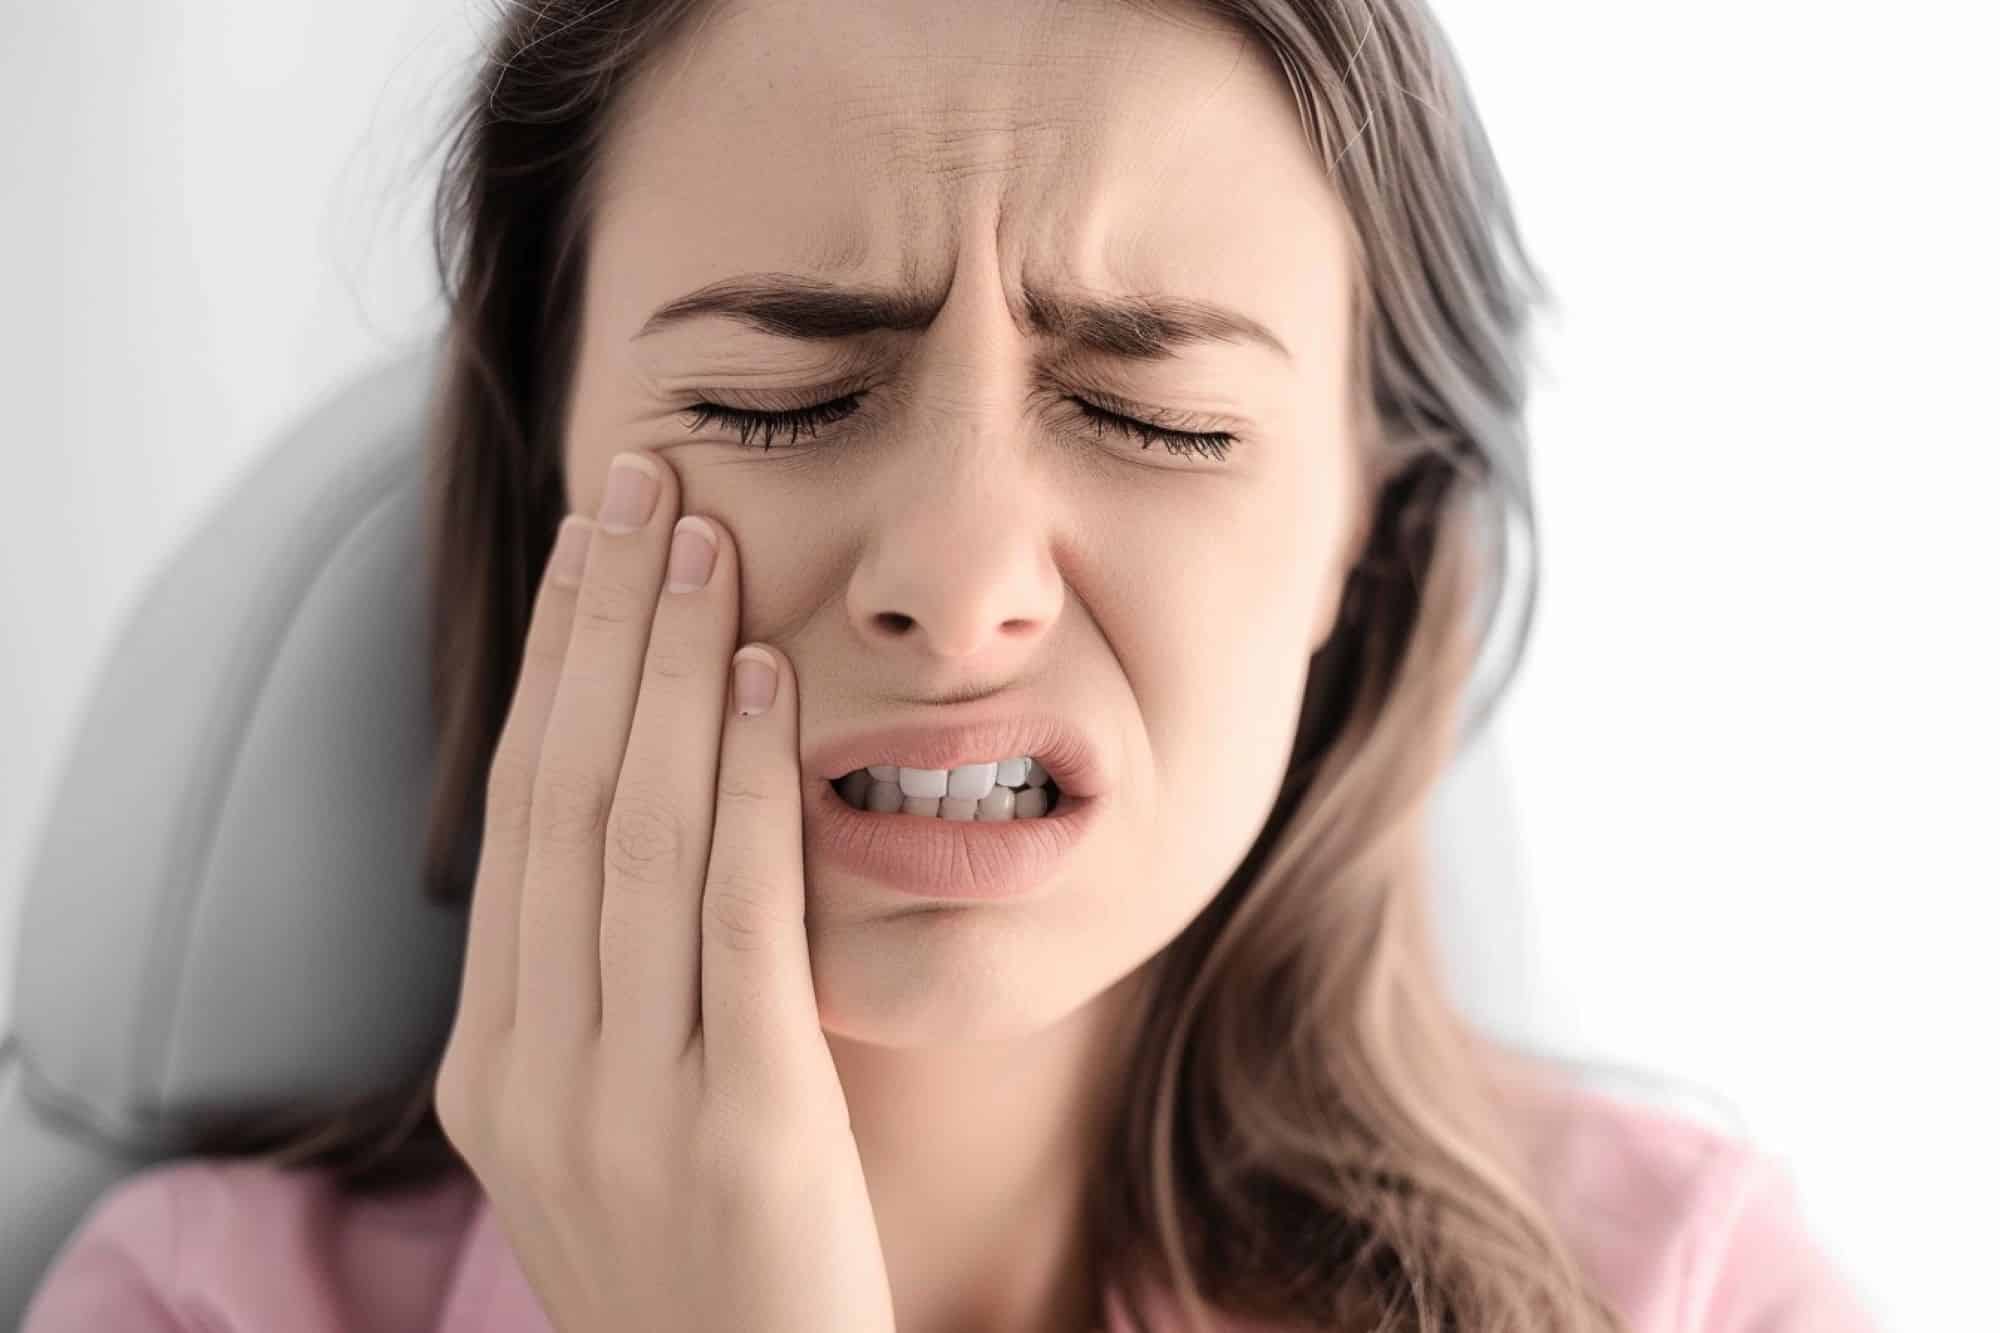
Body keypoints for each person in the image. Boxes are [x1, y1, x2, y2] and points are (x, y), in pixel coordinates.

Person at [23, 1, 1881, 1330]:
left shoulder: (1683, 1292)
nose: (963, 581)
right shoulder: (195, 1305)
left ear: (1363, 533)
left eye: (1155, 417)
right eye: (783, 401)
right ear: (550, 467)